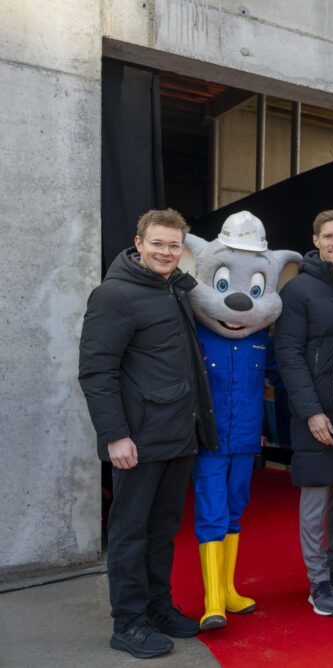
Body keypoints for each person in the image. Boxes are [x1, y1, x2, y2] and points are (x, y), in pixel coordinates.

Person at [79, 209, 218, 659]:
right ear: (138, 243)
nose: (165, 252)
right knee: (129, 532)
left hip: (178, 433)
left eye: (174, 245)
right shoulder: (114, 295)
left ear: (183, 249)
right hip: (138, 438)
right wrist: (115, 435)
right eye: (157, 243)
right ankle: (130, 622)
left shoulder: (174, 288)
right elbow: (97, 371)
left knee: (161, 531)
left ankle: (158, 608)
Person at [184, 212, 301, 630]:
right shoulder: (196, 334)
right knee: (211, 511)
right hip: (210, 440)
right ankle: (212, 599)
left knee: (236, 509)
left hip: (247, 440)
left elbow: (282, 374)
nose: (238, 302)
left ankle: (229, 590)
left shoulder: (258, 338)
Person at [274, 210, 333, 616]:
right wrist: (311, 411)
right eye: (328, 236)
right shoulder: (298, 291)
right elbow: (289, 355)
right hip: (317, 411)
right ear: (315, 240)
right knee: (317, 498)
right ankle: (317, 580)